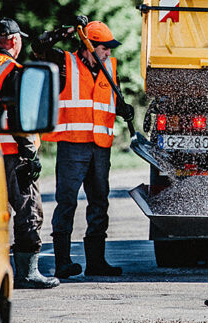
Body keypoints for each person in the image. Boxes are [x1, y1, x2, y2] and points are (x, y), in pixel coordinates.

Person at [31, 16, 134, 279]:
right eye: (103, 48)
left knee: (99, 202)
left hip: (100, 147)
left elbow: (111, 99)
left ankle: (96, 262)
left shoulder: (110, 66)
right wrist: (66, 30)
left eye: (109, 48)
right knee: (66, 202)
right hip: (72, 145)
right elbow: (38, 46)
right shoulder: (65, 63)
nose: (108, 52)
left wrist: (123, 109)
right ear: (88, 46)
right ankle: (63, 263)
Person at [0, 18, 59, 289]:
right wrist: (30, 155)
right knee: (28, 211)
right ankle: (27, 273)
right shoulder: (11, 70)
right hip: (14, 153)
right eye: (20, 39)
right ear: (13, 41)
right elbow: (18, 116)